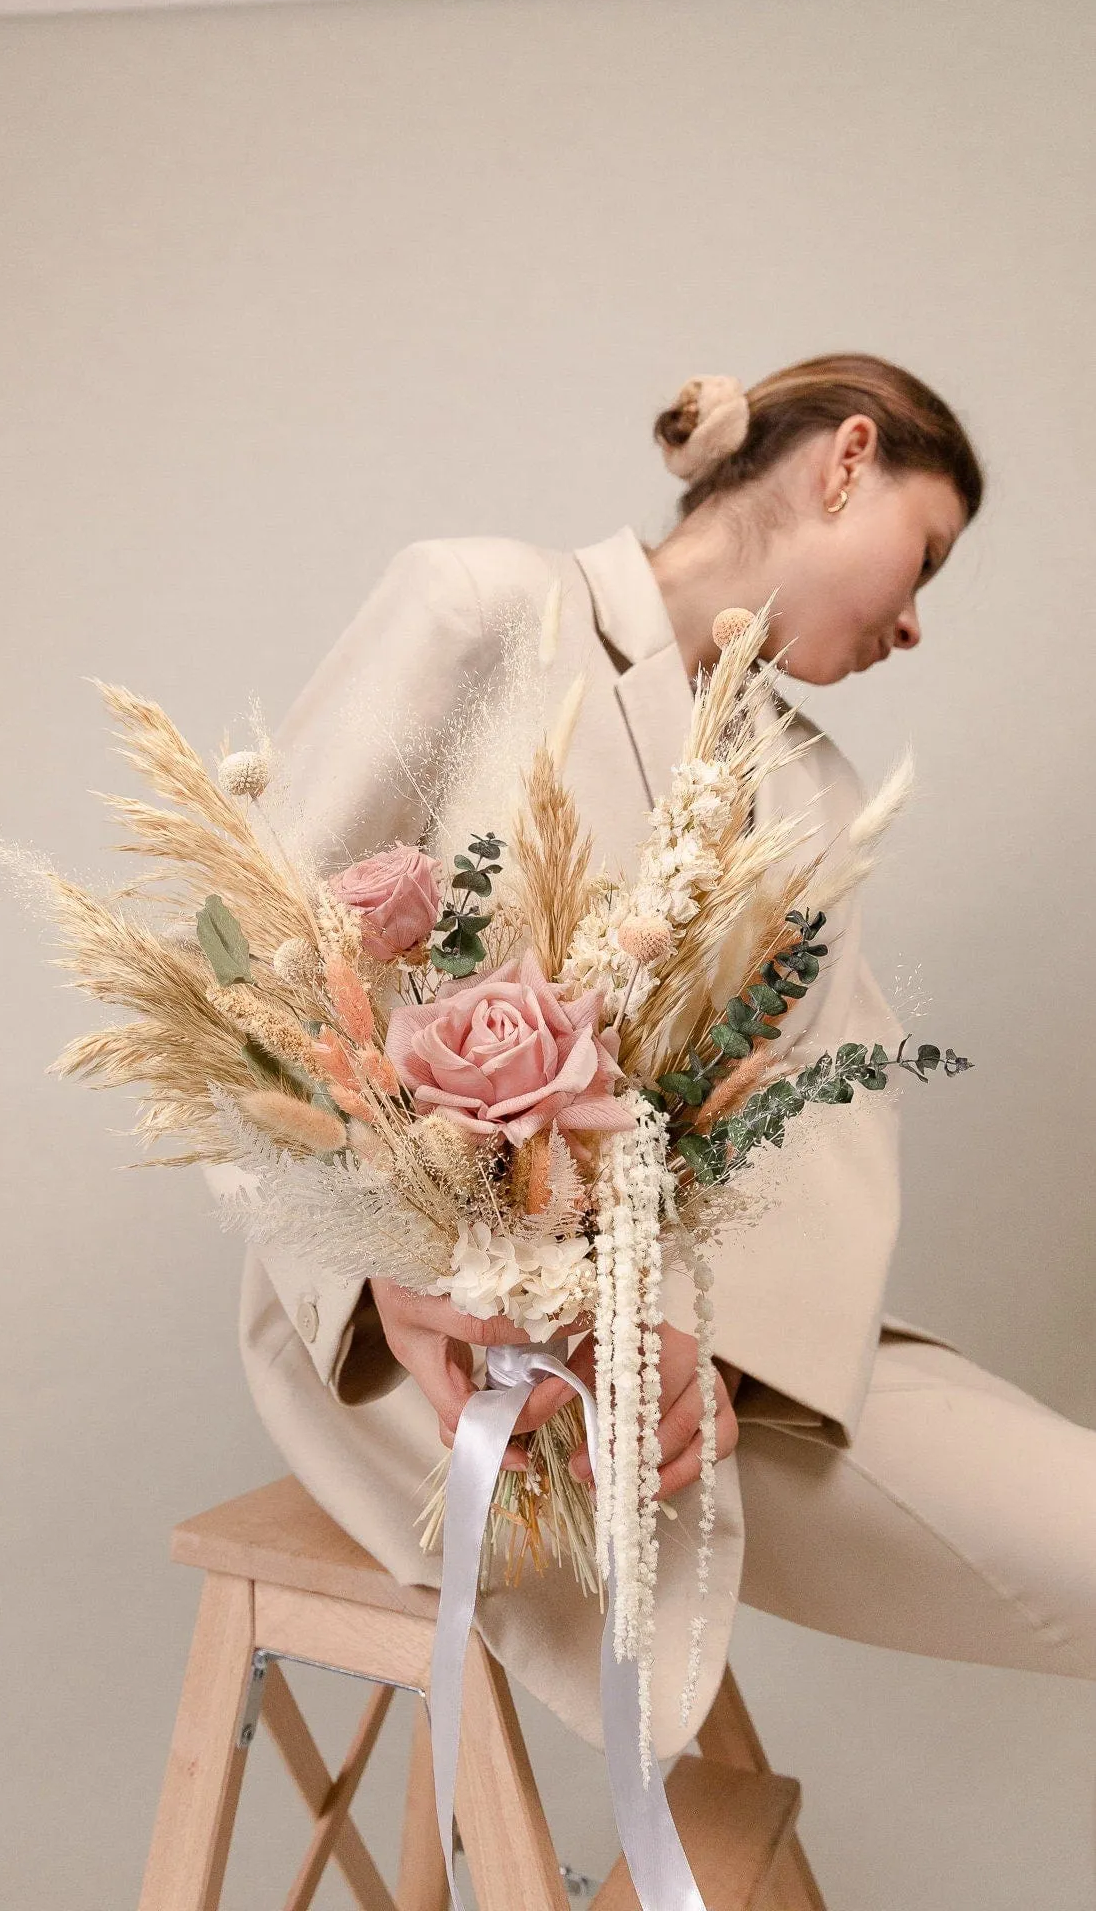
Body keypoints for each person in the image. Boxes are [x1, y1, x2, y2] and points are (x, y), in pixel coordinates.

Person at [227, 354, 1096, 1770]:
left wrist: (710, 1344)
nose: (919, 623)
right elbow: (235, 980)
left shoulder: (809, 793)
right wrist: (394, 1274)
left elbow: (827, 1111)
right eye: (924, 555)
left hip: (709, 1348)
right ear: (845, 459)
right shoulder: (482, 604)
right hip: (413, 1341)